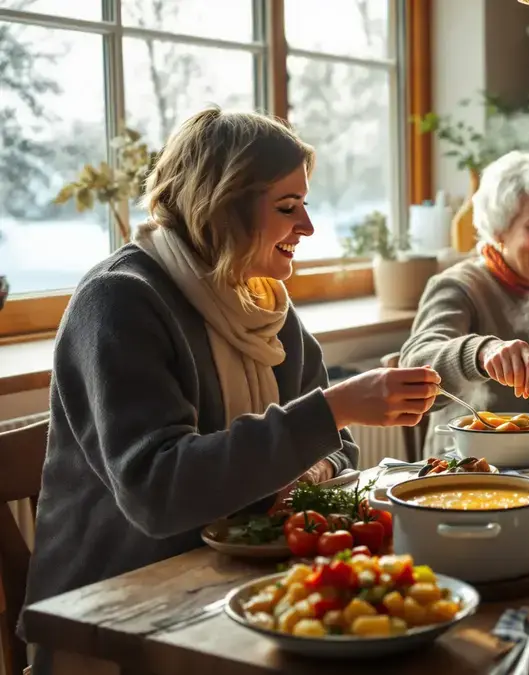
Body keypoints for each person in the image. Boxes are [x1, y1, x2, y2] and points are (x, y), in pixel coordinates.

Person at [23, 107, 441, 662]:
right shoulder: (119, 302)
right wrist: (332, 409)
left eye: (305, 205)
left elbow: (335, 447)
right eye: (287, 208)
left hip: (232, 584)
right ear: (221, 207)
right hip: (117, 609)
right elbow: (158, 491)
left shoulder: (261, 300)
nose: (308, 228)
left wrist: (310, 466)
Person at [395, 150, 529, 456]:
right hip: (468, 467)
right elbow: (415, 365)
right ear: (499, 229)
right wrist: (481, 352)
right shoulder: (459, 287)